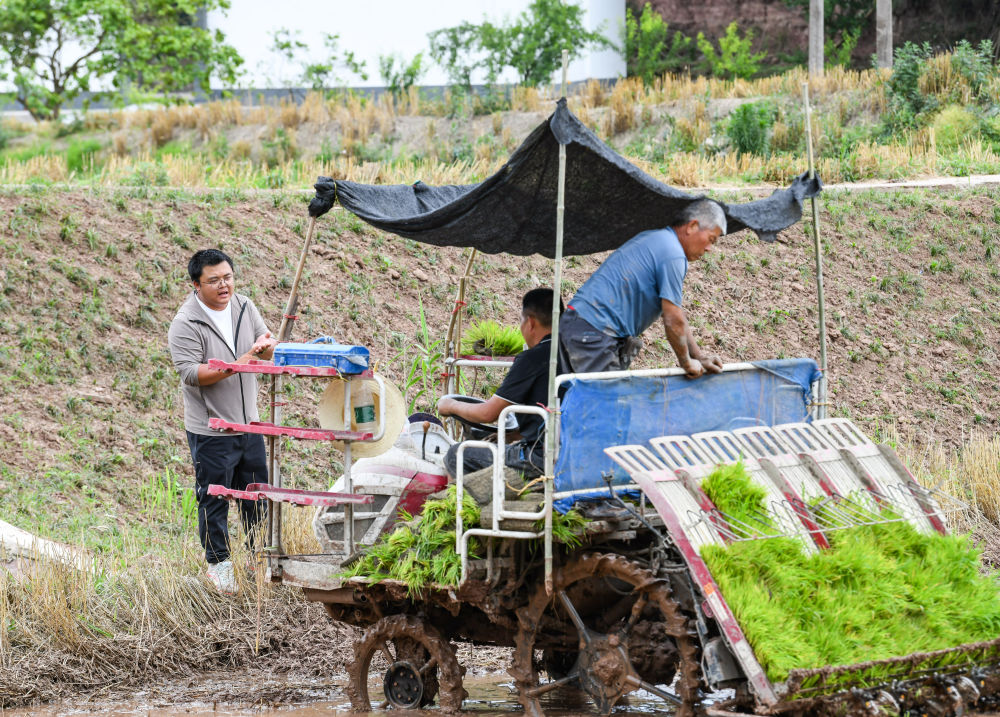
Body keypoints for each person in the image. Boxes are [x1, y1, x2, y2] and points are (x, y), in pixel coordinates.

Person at [167, 249, 278, 595]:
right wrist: (240, 362)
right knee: (214, 499)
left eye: (227, 277)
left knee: (255, 495)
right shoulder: (186, 323)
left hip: (250, 425)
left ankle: (258, 558)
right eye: (213, 280)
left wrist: (267, 347)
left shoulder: (244, 306)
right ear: (196, 285)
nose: (223, 285)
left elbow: (267, 346)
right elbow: (191, 373)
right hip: (212, 430)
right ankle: (219, 566)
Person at [560, 199, 726, 378]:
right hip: (593, 332)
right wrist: (686, 362)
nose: (709, 248)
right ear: (692, 226)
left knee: (568, 393)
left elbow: (676, 315)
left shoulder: (656, 239)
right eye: (711, 239)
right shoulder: (673, 254)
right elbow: (673, 319)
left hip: (578, 323)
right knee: (608, 395)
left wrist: (698, 356)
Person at [437, 288, 561, 481]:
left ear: (530, 322)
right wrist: (515, 435)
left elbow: (487, 414)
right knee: (489, 442)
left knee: (458, 454)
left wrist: (450, 405)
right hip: (568, 450)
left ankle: (461, 500)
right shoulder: (573, 353)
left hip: (539, 458)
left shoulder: (533, 359)